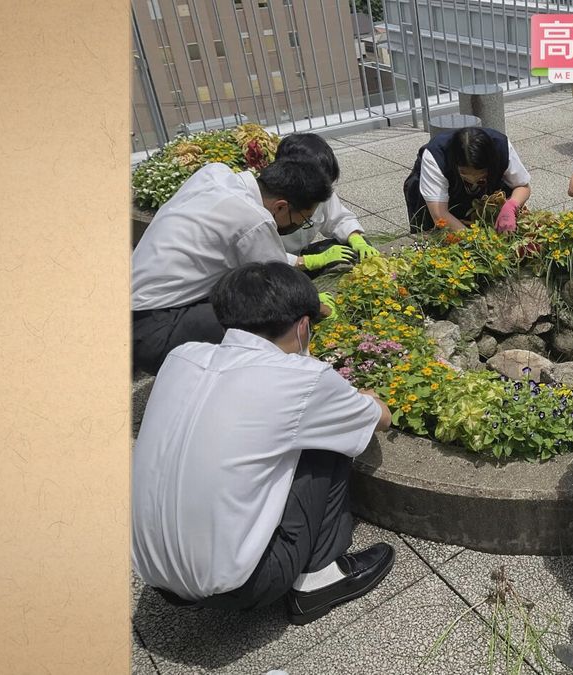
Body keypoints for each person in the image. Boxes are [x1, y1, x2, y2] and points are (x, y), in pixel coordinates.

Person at [132, 262, 395, 625]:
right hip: (245, 585)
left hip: (153, 575)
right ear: (303, 326)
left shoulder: (181, 357)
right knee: (332, 436)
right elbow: (381, 418)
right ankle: (319, 580)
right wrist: (363, 396)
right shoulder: (304, 380)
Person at [131, 157, 334, 375]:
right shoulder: (253, 219)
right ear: (281, 206)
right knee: (267, 317)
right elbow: (279, 289)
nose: (301, 226)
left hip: (130, 310)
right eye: (304, 219)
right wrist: (319, 308)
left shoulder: (214, 173)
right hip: (153, 333)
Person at [274, 133, 383, 277]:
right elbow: (262, 256)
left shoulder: (318, 191)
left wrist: (356, 239)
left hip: (299, 255)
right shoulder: (266, 201)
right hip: (273, 270)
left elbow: (338, 219)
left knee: (353, 250)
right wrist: (311, 261)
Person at [403, 126, 532, 234]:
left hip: (481, 196)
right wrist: (473, 240)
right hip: (436, 203)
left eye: (480, 174)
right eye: (464, 173)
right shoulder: (437, 157)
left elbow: (522, 186)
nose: (473, 179)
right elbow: (439, 214)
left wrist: (510, 206)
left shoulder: (501, 146)